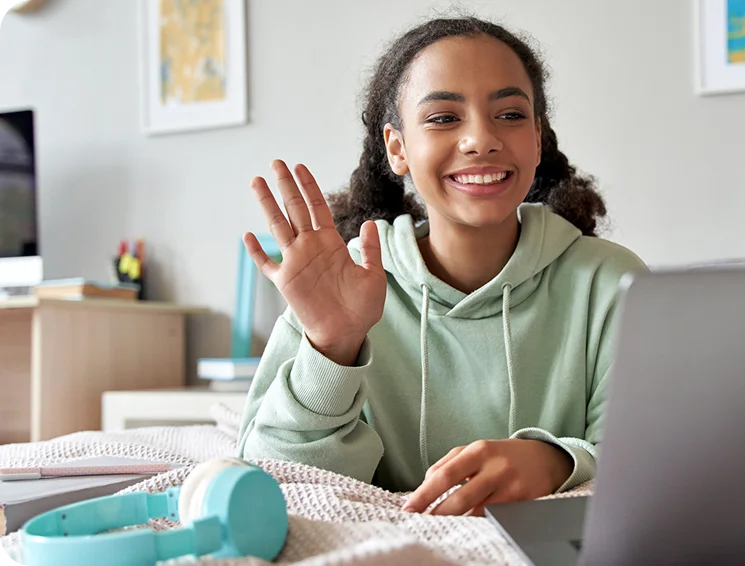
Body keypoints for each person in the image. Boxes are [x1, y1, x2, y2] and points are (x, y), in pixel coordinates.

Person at [235, 15, 646, 517]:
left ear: (537, 139)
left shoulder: (611, 283)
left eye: (511, 115)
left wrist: (556, 462)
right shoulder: (342, 284)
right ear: (397, 147)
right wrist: (332, 347)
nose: (480, 139)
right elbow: (268, 486)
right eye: (444, 117)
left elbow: (657, 464)